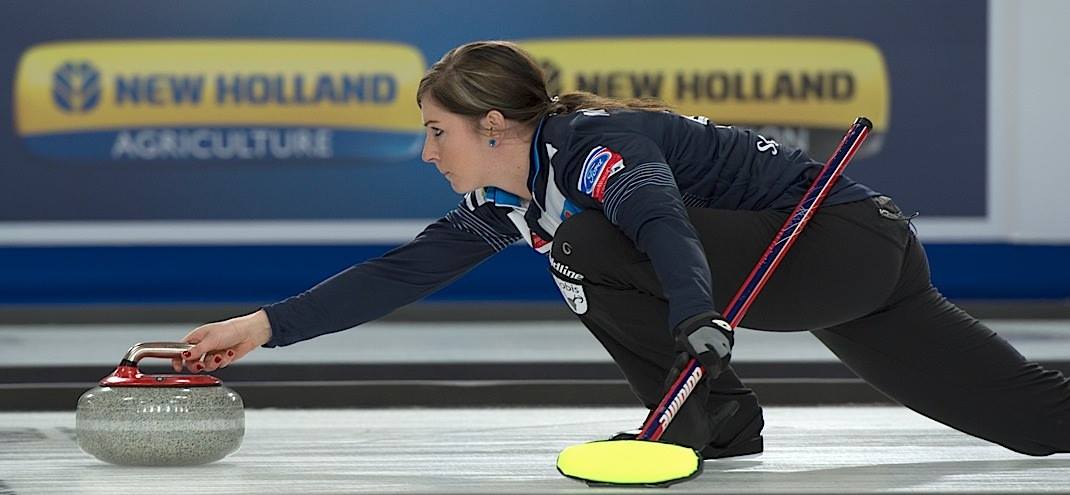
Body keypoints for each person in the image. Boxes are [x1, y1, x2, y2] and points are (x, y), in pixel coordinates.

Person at [174, 40, 1070, 459]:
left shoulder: (593, 146)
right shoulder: (515, 197)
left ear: (494, 125)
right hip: (849, 271)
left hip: (835, 243)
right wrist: (262, 326)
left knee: (591, 239)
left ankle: (700, 418)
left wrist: (693, 314)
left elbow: (662, 230)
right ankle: (726, 419)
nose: (425, 150)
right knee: (1038, 424)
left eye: (435, 130)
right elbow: (401, 271)